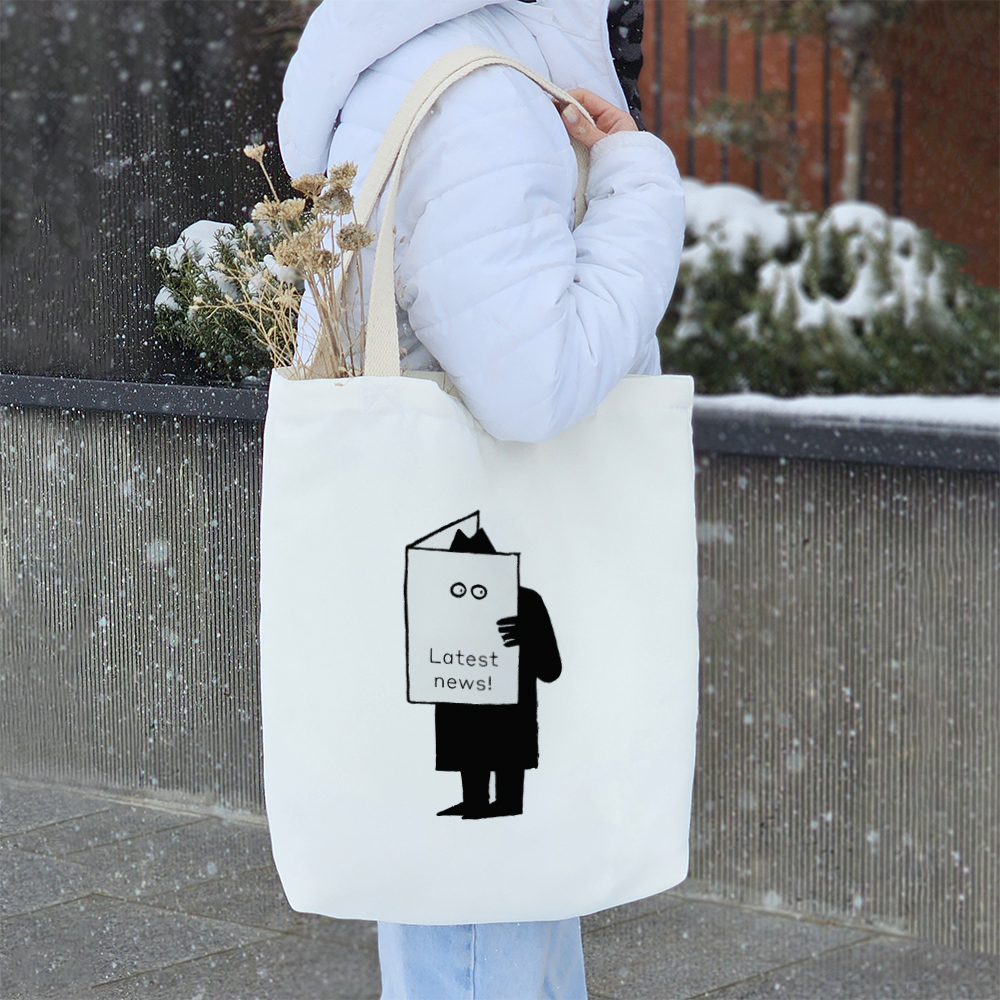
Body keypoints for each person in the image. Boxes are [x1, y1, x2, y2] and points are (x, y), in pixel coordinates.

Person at [278, 1, 684, 996]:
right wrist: (637, 185)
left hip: (453, 557)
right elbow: (532, 384)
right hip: (492, 546)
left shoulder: (432, 61)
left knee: (488, 877)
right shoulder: (479, 94)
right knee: (483, 911)